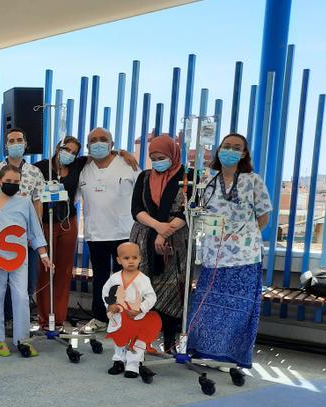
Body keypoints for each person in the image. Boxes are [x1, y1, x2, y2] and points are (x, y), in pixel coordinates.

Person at [187, 133, 272, 368]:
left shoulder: (253, 180)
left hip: (244, 256)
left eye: (236, 147)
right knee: (209, 305)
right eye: (226, 146)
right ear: (218, 150)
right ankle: (204, 352)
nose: (230, 150)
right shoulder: (208, 181)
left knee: (238, 308)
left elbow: (264, 216)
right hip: (214, 255)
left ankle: (230, 358)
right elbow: (199, 212)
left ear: (243, 154)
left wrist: (245, 236)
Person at [130, 135, 189, 351]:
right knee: (143, 288)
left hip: (176, 240)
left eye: (162, 157)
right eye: (153, 158)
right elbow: (136, 209)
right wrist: (158, 227)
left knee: (173, 288)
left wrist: (166, 231)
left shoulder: (187, 176)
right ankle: (141, 339)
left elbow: (187, 210)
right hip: (144, 238)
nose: (157, 162)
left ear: (173, 155)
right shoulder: (144, 177)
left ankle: (171, 341)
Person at [78, 128, 141, 332]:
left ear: (112, 144)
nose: (98, 143)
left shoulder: (127, 164)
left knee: (125, 278)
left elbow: (142, 192)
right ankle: (100, 317)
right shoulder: (84, 169)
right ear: (87, 147)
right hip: (96, 233)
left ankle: (124, 319)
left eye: (103, 139)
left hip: (124, 232)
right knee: (100, 278)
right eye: (93, 140)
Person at [0, 166, 51, 357]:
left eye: (16, 182)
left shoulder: (25, 202)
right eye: (8, 181)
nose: (12, 185)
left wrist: (44, 256)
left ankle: (23, 339)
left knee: (21, 296)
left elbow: (35, 231)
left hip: (19, 258)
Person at [34, 136, 83, 332]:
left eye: (73, 152)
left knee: (63, 271)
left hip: (67, 223)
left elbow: (100, 157)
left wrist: (119, 153)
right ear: (57, 148)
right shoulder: (41, 167)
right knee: (45, 270)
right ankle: (45, 319)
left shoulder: (77, 167)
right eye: (66, 149)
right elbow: (16, 172)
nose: (69, 154)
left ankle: (59, 320)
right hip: (45, 223)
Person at [103, 242, 157, 378]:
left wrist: (140, 309)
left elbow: (152, 297)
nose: (131, 261)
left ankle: (133, 365)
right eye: (126, 258)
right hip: (119, 316)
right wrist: (110, 305)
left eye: (134, 258)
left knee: (137, 341)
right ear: (119, 260)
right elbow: (106, 292)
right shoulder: (114, 278)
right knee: (119, 338)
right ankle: (119, 361)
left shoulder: (144, 279)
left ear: (140, 258)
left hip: (136, 317)